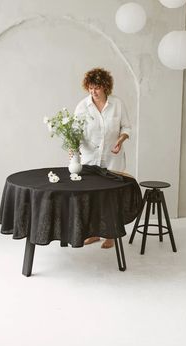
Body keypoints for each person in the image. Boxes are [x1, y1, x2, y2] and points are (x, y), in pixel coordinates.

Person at [73, 67, 131, 249]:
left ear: (105, 87)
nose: (93, 91)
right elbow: (74, 132)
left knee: (110, 198)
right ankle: (93, 233)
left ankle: (110, 234)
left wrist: (120, 140)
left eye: (97, 87)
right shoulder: (83, 106)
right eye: (90, 88)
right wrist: (72, 148)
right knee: (90, 197)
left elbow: (126, 128)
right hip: (89, 159)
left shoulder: (118, 104)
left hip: (113, 159)